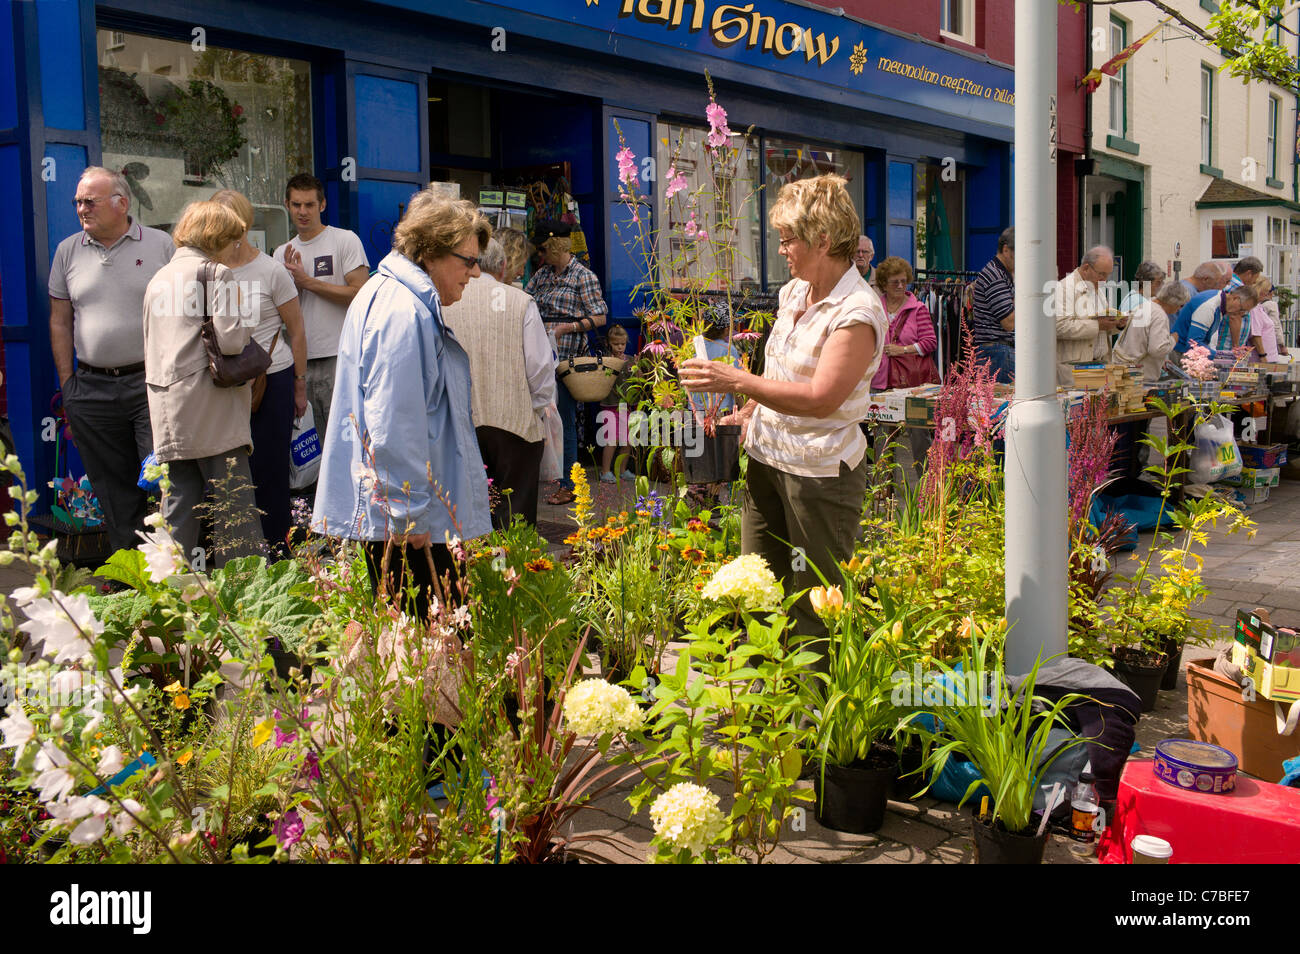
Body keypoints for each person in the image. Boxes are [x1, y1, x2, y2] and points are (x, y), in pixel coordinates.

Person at [679, 174, 885, 659]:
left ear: (822, 239)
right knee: (758, 591)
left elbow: (820, 398)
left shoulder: (857, 310)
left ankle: (810, 726)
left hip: (818, 474)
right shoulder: (795, 292)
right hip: (767, 459)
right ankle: (766, 718)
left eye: (788, 239)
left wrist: (736, 382)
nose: (783, 250)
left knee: (815, 607)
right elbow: (781, 369)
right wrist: (749, 408)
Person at [312, 192, 491, 621]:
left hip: (407, 515)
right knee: (431, 656)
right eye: (467, 260)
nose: (476, 272)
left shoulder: (399, 299)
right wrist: (409, 515)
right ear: (430, 253)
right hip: (409, 525)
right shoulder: (402, 311)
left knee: (419, 653)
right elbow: (394, 423)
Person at [48, 166, 175, 555]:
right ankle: (131, 579)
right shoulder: (68, 249)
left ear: (122, 204)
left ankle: (174, 573)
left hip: (149, 385)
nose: (81, 209)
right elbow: (59, 319)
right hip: (91, 388)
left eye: (90, 201)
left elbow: (181, 314)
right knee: (112, 490)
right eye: (78, 202)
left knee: (164, 480)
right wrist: (69, 383)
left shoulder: (160, 246)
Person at [142, 201, 265, 563]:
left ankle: (168, 596)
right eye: (234, 241)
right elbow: (230, 341)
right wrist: (247, 322)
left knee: (178, 509)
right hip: (210, 407)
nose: (236, 250)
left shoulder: (158, 277)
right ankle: (248, 598)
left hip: (168, 408)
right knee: (234, 510)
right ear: (218, 238)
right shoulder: (217, 274)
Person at [210, 189, 309, 556]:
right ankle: (237, 558)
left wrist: (299, 386)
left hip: (272, 380)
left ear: (242, 224)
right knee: (232, 475)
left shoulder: (270, 270)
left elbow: (296, 330)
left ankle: (279, 555)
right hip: (224, 386)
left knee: (270, 473)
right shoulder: (207, 269)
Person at [441, 237, 555, 529]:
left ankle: (474, 571)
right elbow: (540, 369)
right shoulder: (520, 302)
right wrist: (536, 410)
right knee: (513, 519)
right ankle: (509, 571)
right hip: (515, 427)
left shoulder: (443, 301)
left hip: (458, 424)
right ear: (503, 266)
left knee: (463, 515)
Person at [273, 173, 369, 447]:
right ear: (287, 206)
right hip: (296, 362)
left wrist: (307, 283)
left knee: (343, 443)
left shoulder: (344, 240)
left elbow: (360, 293)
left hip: (339, 356)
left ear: (323, 205)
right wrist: (295, 290)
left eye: (309, 205)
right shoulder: (281, 253)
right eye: (296, 205)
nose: (302, 212)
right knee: (306, 448)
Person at [525, 220, 608, 505]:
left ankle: (570, 484)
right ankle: (540, 477)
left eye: (543, 247)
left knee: (564, 421)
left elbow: (600, 317)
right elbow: (525, 300)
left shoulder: (582, 276)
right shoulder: (542, 275)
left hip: (565, 362)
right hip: (539, 357)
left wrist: (567, 328)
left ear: (556, 245)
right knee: (538, 419)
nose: (540, 253)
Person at [871, 256, 936, 481]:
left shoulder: (917, 309)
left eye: (903, 281)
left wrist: (903, 349)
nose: (900, 286)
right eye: (894, 282)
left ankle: (928, 488)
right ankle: (884, 492)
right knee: (882, 440)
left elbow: (930, 342)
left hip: (912, 386)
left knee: (919, 438)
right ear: (883, 283)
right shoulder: (873, 307)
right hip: (879, 382)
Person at [1054, 246, 1123, 386]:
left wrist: (1117, 324)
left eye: (1108, 275)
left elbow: (1103, 327)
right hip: (1076, 369)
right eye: (1101, 274)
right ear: (1086, 268)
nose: (1104, 280)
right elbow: (1059, 326)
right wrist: (1097, 325)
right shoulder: (1065, 288)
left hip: (1100, 366)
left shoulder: (1098, 289)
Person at [1114, 281, 1187, 383]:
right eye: (1181, 305)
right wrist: (1173, 340)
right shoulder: (1159, 315)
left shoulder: (1144, 306)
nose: (1179, 309)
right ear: (1174, 302)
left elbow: (1140, 340)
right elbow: (1157, 349)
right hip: (1139, 374)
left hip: (1124, 367)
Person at [970, 226, 1015, 384]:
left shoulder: (1002, 273)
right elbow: (1009, 322)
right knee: (1002, 405)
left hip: (998, 352)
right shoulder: (995, 276)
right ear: (1006, 250)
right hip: (998, 353)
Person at [597, 324, 636, 485]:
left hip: (627, 405)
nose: (620, 347)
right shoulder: (607, 361)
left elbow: (638, 378)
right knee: (611, 439)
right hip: (611, 405)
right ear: (609, 344)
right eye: (616, 344)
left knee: (627, 440)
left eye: (623, 344)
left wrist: (638, 366)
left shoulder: (631, 360)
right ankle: (605, 471)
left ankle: (622, 470)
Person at [1172, 282, 1259, 354]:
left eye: (1244, 312)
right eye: (1241, 309)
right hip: (1180, 352)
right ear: (1235, 298)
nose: (1240, 314)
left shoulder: (1220, 303)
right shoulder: (1210, 306)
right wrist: (1221, 357)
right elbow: (1193, 343)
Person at [1248, 277, 1282, 362]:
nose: (1268, 294)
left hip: (1269, 356)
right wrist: (1262, 355)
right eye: (1267, 291)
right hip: (1262, 358)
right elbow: (1255, 334)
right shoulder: (1254, 309)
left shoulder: (1258, 307)